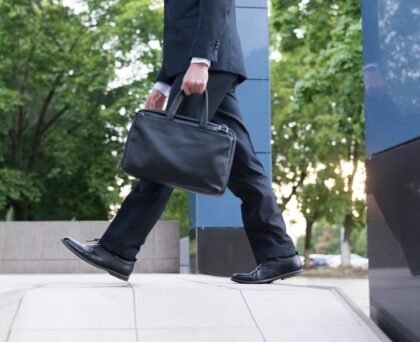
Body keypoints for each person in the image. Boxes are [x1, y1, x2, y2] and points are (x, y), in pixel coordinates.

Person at [62, 0, 303, 284]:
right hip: (201, 64)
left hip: (207, 64)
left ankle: (118, 249)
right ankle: (279, 254)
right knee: (244, 167)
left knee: (166, 157)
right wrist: (162, 83)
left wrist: (202, 61)